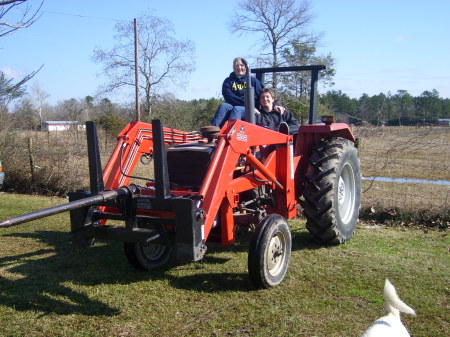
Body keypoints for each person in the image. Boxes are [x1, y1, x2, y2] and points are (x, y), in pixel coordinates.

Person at [210, 57, 284, 128]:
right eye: (237, 66)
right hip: (234, 106)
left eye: (241, 65)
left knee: (237, 109)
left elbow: (265, 94)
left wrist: (275, 105)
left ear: (245, 67)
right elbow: (229, 97)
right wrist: (246, 103)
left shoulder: (252, 81)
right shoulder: (228, 81)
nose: (239, 68)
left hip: (249, 109)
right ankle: (213, 131)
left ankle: (231, 134)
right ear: (233, 68)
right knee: (223, 106)